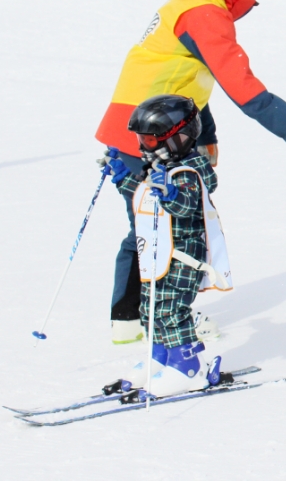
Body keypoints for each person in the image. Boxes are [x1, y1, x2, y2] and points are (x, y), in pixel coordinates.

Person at [95, 0, 286, 344]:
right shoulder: (206, 13)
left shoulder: (199, 1)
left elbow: (189, 78)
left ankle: (129, 318)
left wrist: (207, 136)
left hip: (146, 129)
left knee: (149, 225)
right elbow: (241, 86)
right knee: (170, 227)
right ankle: (161, 324)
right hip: (147, 132)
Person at [101, 95, 231, 396]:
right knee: (151, 306)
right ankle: (160, 357)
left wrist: (172, 193)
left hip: (184, 253)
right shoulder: (159, 164)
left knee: (172, 309)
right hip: (158, 252)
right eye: (141, 139)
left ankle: (187, 367)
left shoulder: (193, 168)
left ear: (178, 138)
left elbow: (189, 203)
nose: (144, 146)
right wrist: (123, 178)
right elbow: (146, 198)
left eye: (149, 139)